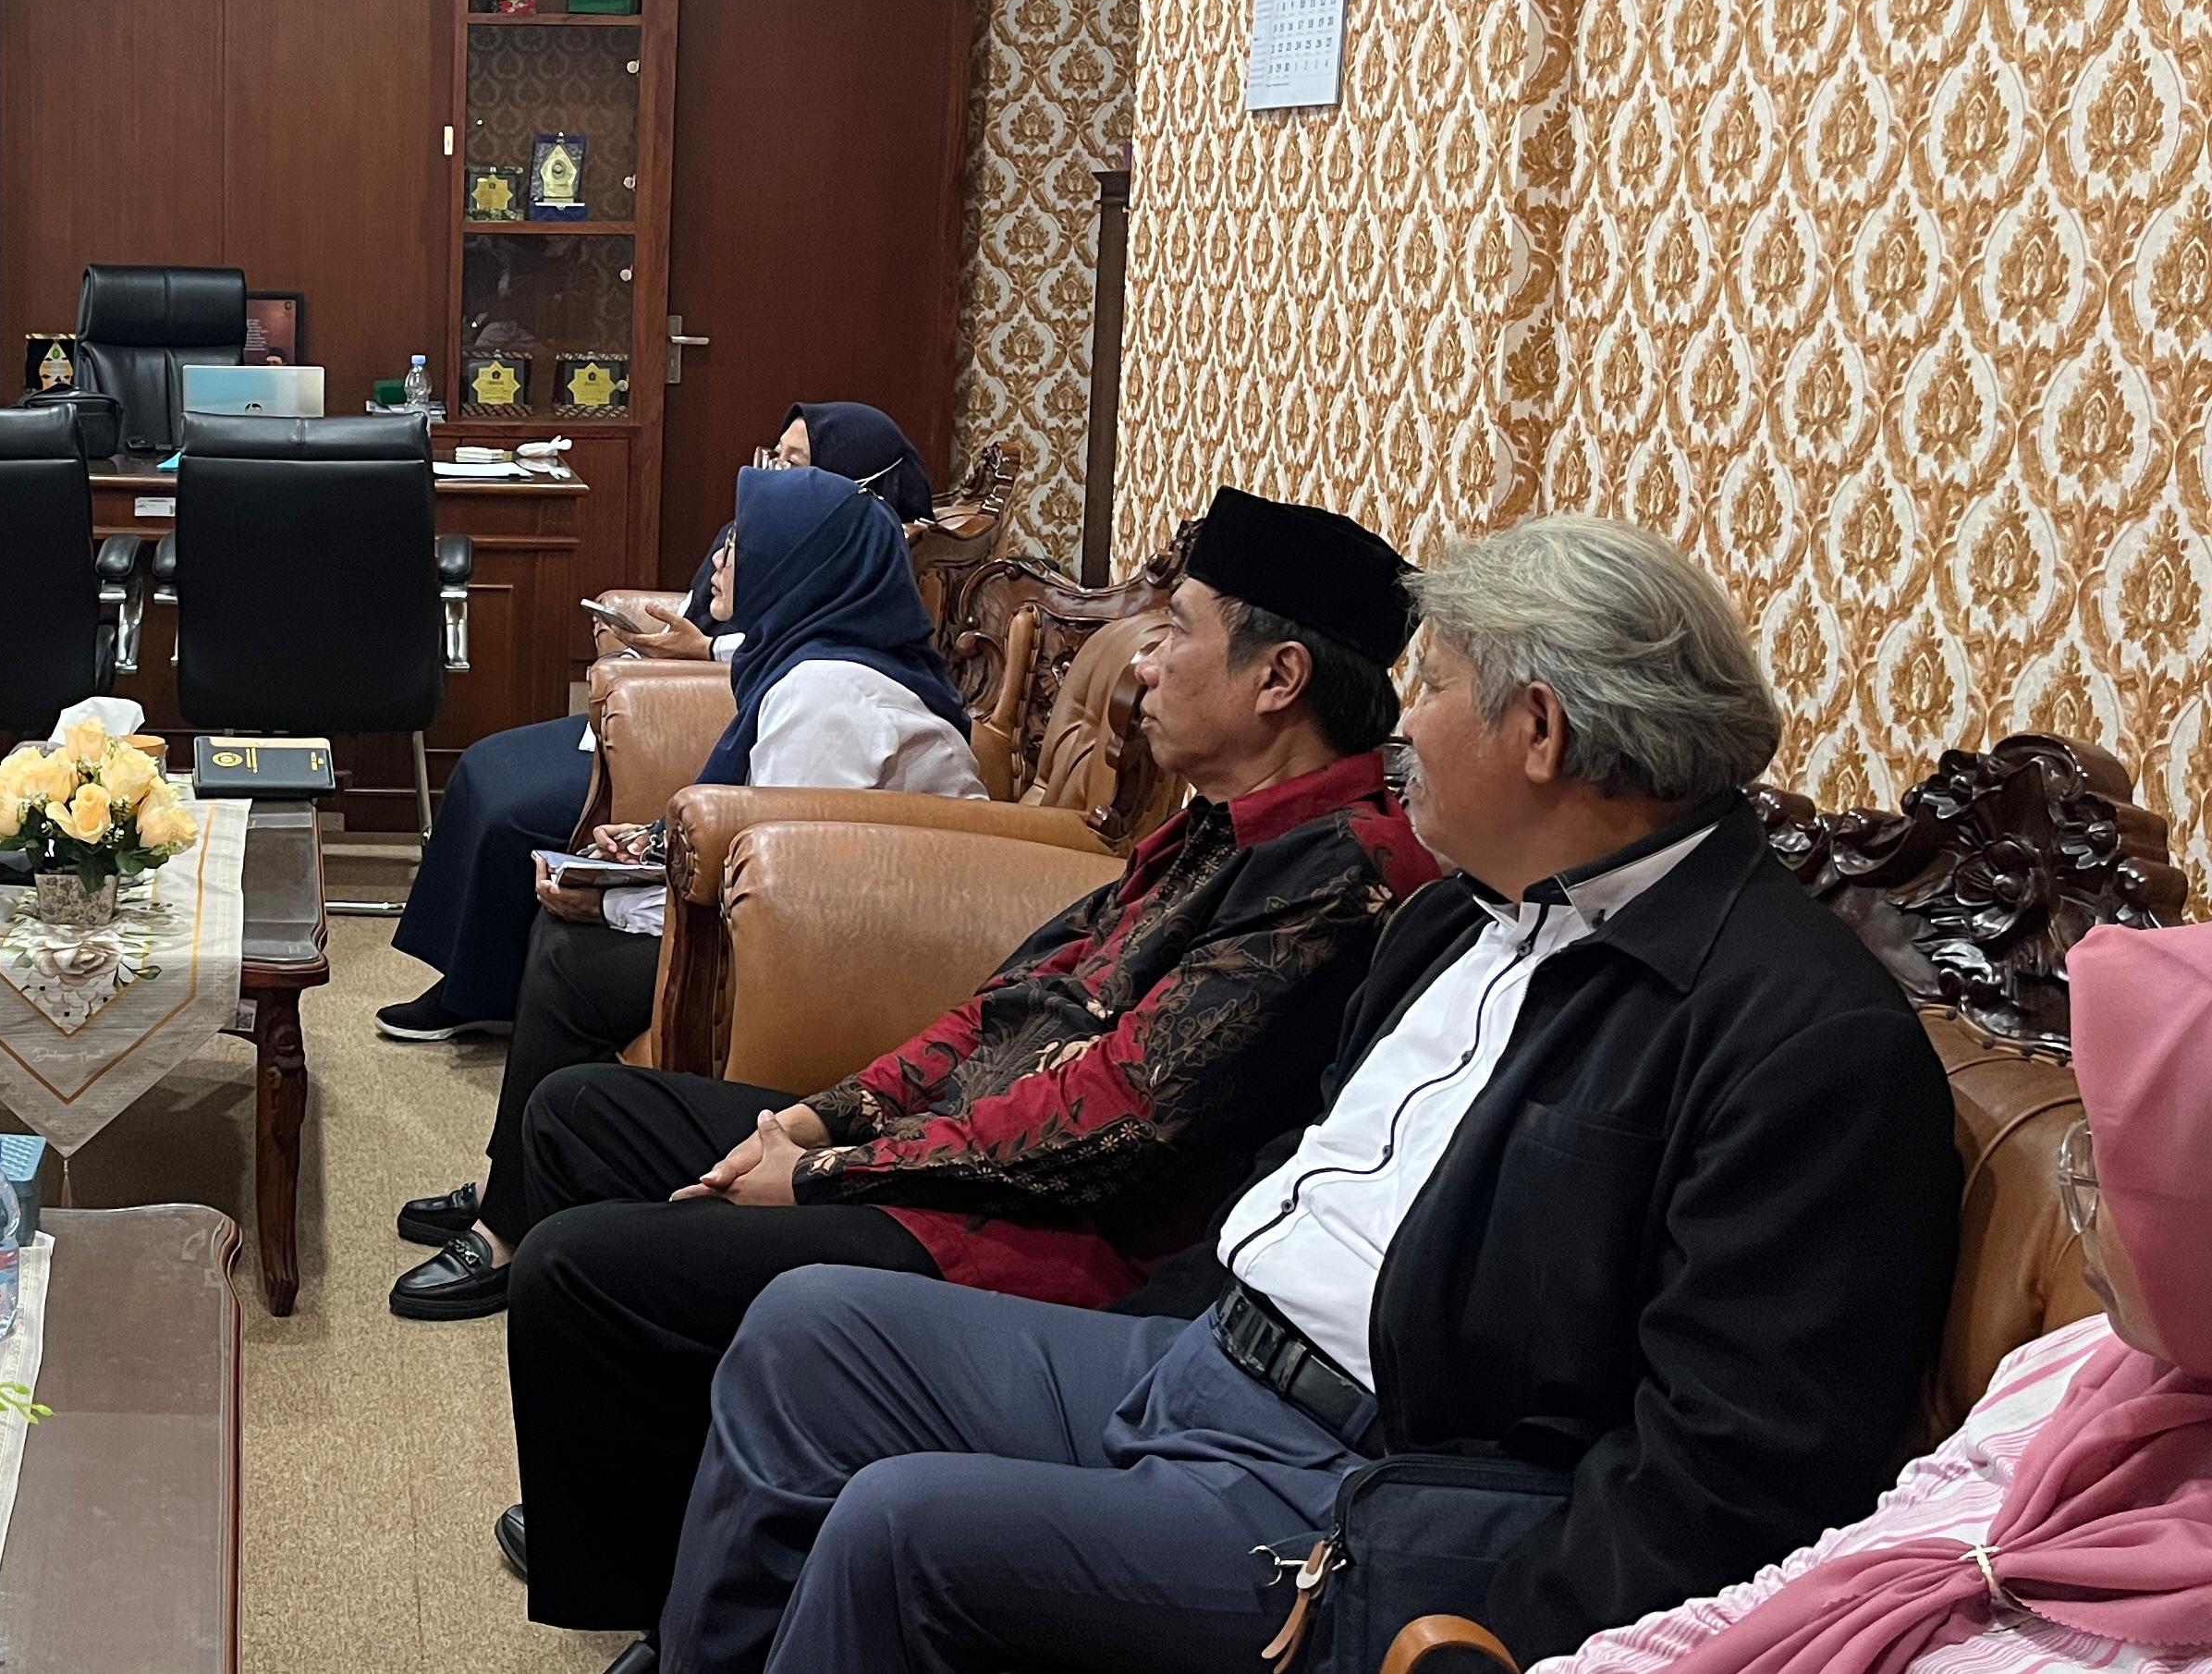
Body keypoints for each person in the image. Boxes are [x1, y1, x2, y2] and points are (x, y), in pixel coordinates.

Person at [653, 516, 1961, 1674]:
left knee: (902, 1530)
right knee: (807, 1332)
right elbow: (1300, 1172)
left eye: (1433, 686)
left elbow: (1734, 1471)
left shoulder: (1796, 1037)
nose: (1403, 727)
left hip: (1365, 1479)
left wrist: (1480, 1642)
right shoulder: (1451, 919)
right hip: (1206, 1354)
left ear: (1540, 732)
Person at [490, 487, 1436, 1627]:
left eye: (1175, 632)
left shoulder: (1344, 873)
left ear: (1279, 678)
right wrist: (826, 1118)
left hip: (1056, 1234)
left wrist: (830, 1173)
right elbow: (1006, 1009)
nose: (1142, 666)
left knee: (576, 1268)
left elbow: (1116, 1120)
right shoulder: (1212, 823)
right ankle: (677, 1516)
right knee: (582, 1114)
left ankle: (667, 1602)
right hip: (950, 1158)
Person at [388, 462, 985, 1323]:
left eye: (745, 543)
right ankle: (516, 1181)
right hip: (834, 926)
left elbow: (787, 896)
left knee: (571, 960)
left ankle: (511, 1221)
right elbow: (762, 845)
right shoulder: (807, 661)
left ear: (798, 565)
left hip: (879, 961)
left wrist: (611, 903)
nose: (722, 560)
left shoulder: (828, 698)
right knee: (566, 936)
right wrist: (641, 858)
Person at [1537, 919, 2212, 1674]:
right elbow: (1832, 1566)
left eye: (2122, 1161)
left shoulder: (1812, 1028)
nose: (2080, 1195)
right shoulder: (2079, 1363)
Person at [376, 400, 937, 1043]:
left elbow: (787, 865)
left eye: (796, 464)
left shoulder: (830, 670)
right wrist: (655, 840)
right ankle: (468, 982)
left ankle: (484, 994)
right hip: (737, 773)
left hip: (826, 899)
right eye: (775, 458)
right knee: (485, 764)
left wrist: (623, 896)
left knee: (525, 842)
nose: (777, 477)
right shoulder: (805, 614)